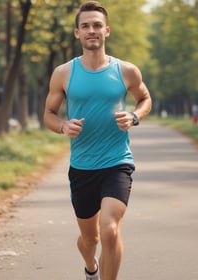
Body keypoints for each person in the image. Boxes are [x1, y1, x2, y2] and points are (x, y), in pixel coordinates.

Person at [43, 1, 152, 279]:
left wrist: (135, 117)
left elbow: (144, 98)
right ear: (77, 33)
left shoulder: (126, 71)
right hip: (81, 167)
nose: (92, 30)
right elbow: (49, 115)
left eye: (97, 25)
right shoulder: (63, 73)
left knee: (110, 229)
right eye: (86, 26)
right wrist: (63, 126)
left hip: (117, 162)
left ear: (107, 30)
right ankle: (90, 267)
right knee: (90, 240)